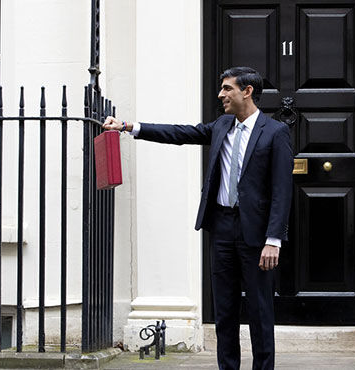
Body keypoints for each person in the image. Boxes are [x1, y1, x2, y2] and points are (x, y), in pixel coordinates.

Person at [102, 66, 293, 370]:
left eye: (227, 88)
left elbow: (282, 190)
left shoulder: (275, 132)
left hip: (256, 235)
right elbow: (180, 133)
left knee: (259, 312)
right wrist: (128, 126)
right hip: (220, 228)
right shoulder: (221, 125)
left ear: (247, 91)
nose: (221, 95)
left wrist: (274, 240)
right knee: (225, 311)